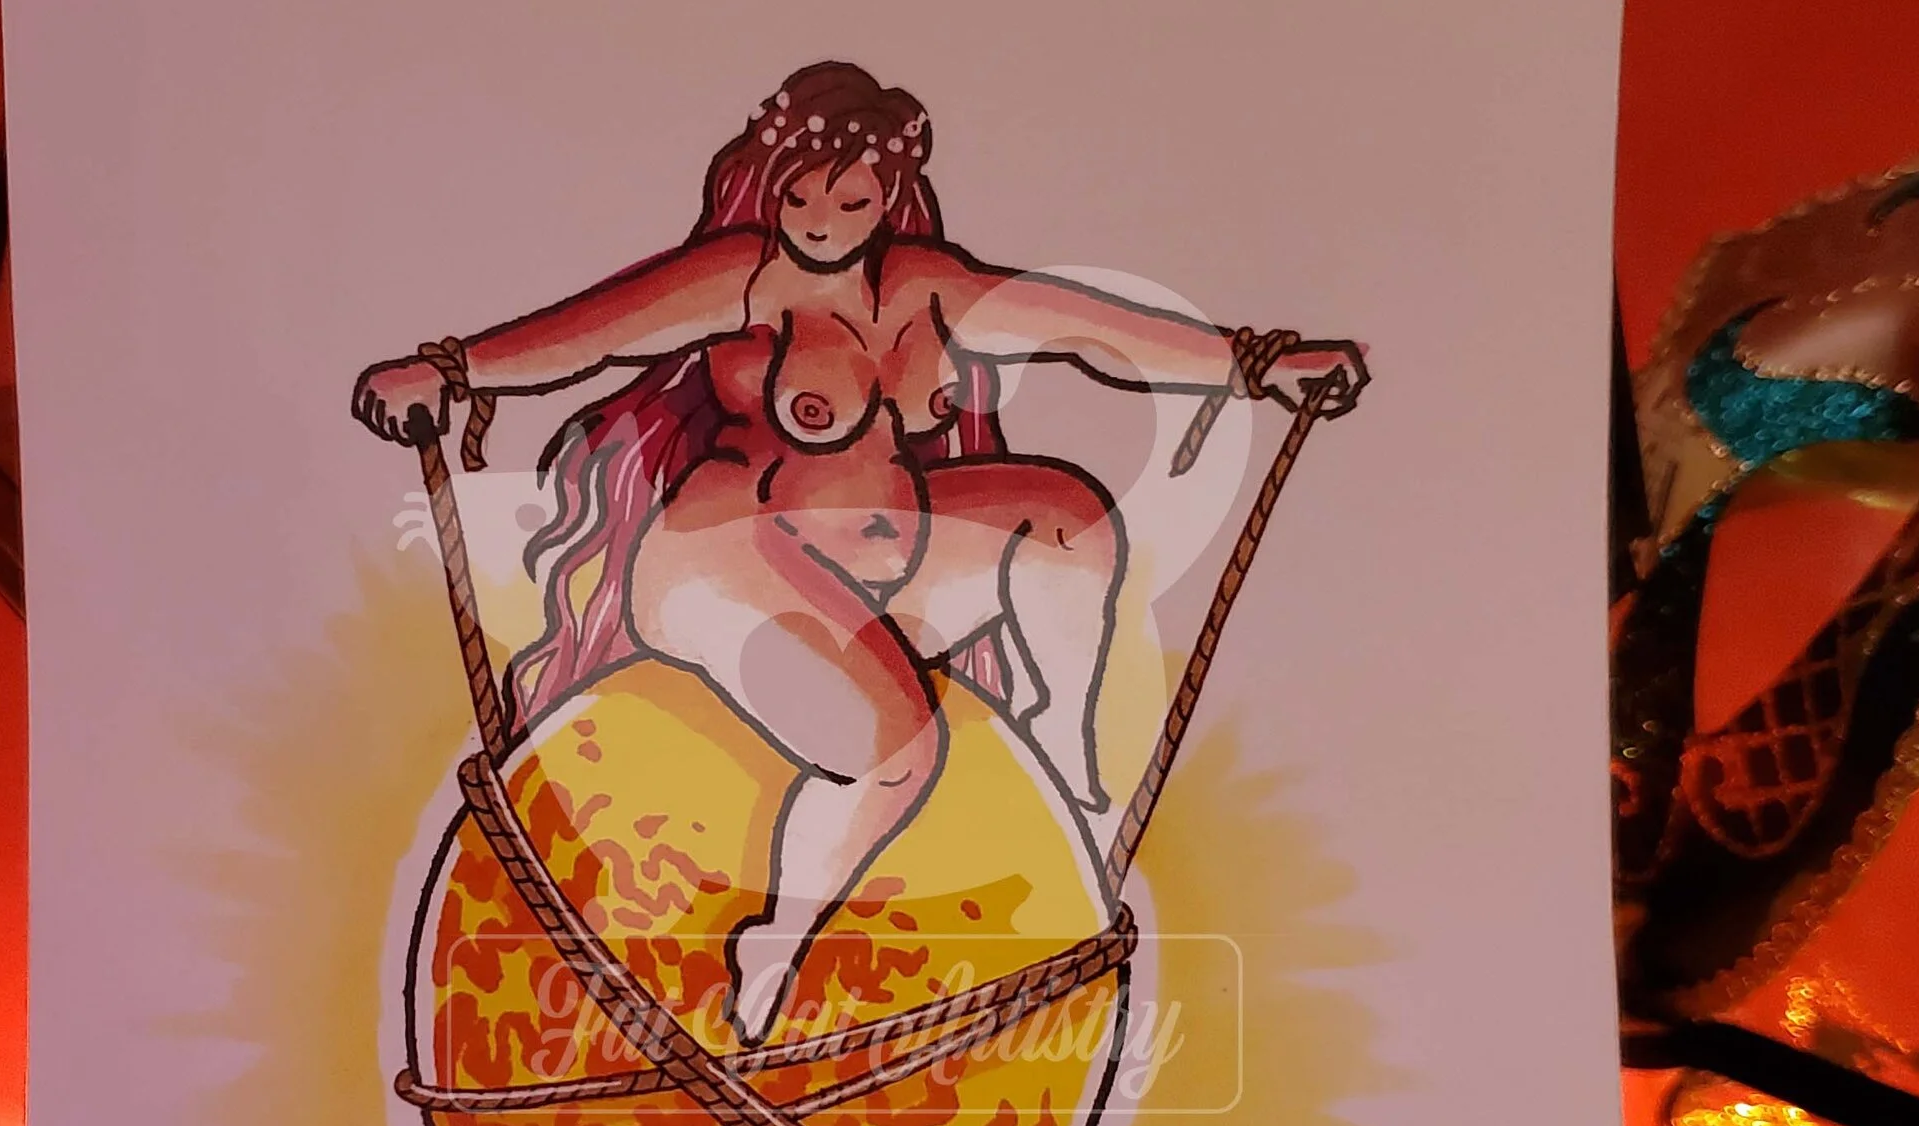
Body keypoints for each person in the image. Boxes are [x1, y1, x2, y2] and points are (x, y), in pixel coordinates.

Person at [356, 60, 1363, 1044]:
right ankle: (776, 942)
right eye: (799, 193)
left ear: (889, 195)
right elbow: (593, 335)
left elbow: (1088, 331)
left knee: (1067, 516)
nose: (821, 218)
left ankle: (1070, 786)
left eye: (850, 198)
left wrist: (1255, 364)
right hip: (728, 556)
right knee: (898, 734)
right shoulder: (745, 278)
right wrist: (450, 371)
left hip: (886, 555)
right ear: (770, 182)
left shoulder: (928, 285)